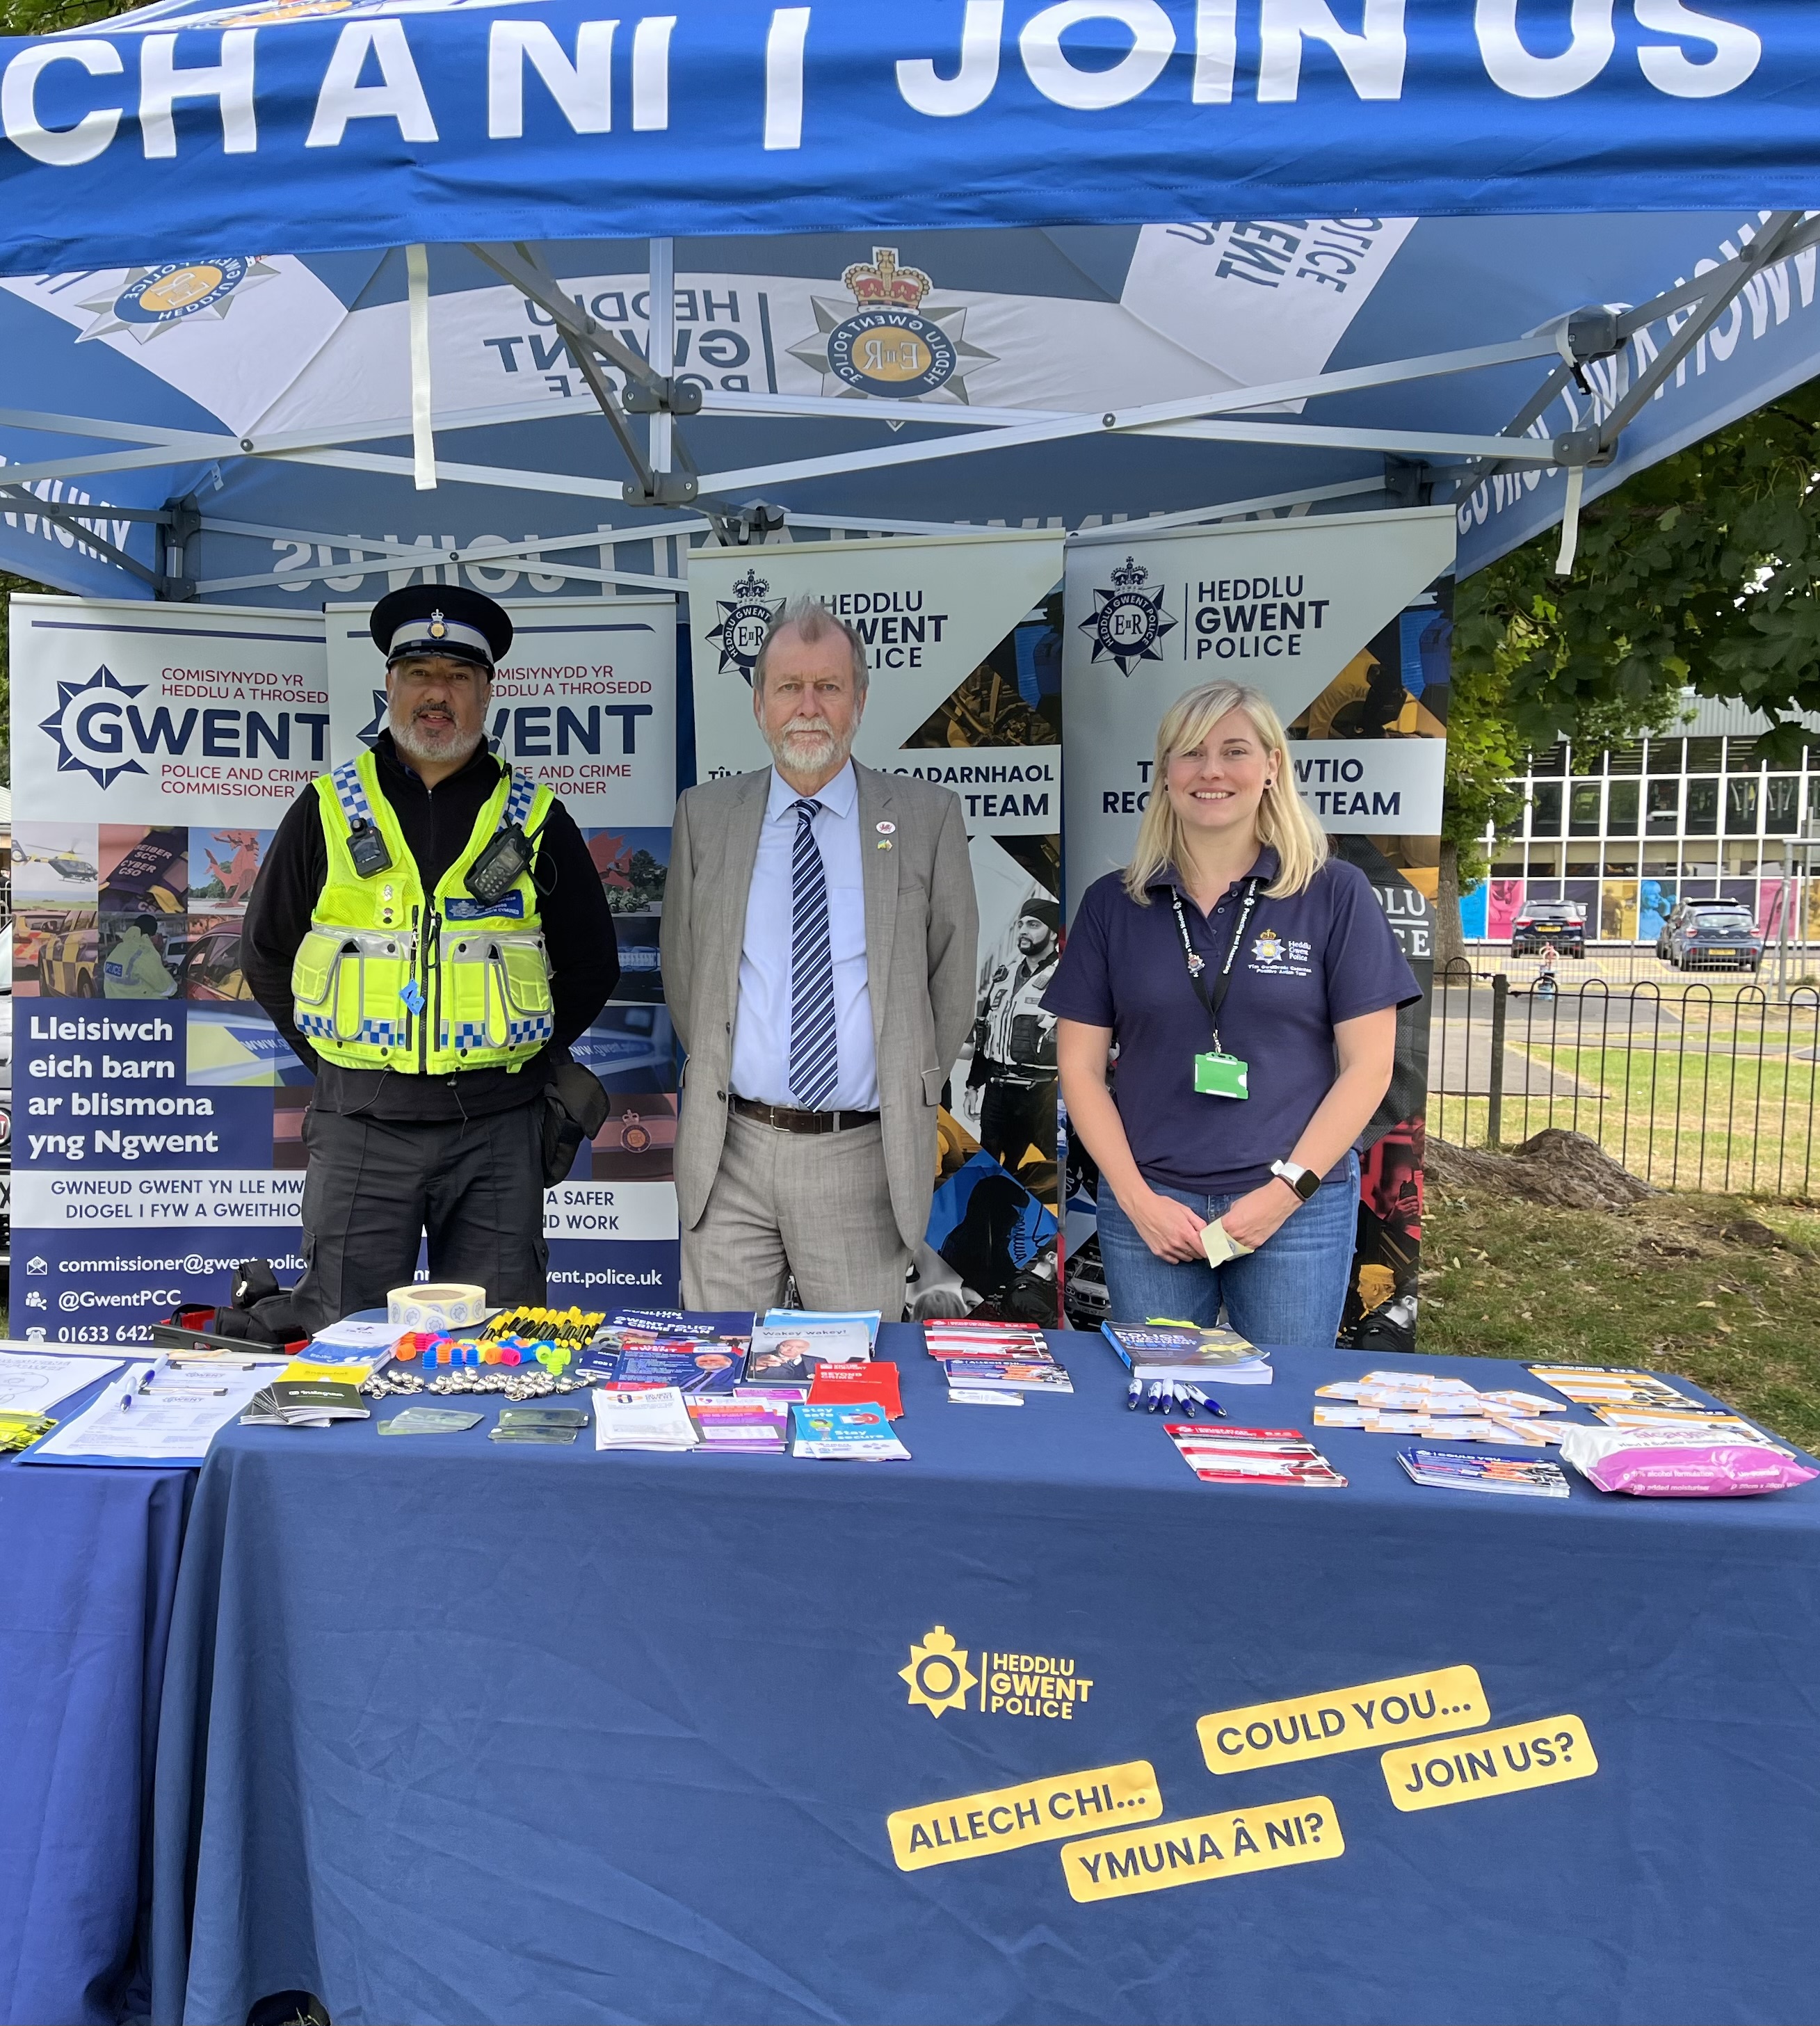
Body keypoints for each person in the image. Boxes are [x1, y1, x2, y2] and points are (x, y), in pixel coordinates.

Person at [243, 585, 620, 1334]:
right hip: (360, 1128)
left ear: (487, 692)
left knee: (497, 1345)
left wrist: (517, 1057)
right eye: (419, 674)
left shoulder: (535, 818)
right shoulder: (327, 808)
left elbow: (591, 964)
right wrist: (337, 1061)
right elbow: (265, 952)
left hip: (497, 1133)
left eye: (457, 677)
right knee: (345, 1341)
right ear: (390, 685)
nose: (436, 694)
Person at [1045, 680, 1419, 1346]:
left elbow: (1368, 1067)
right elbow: (1077, 1069)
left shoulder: (1333, 892)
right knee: (1166, 1396)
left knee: (1283, 1398)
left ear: (1272, 766)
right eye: (1190, 752)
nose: (1210, 770)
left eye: (1234, 751)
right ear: (1165, 773)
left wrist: (1282, 1195)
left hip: (1295, 1212)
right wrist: (1136, 1201)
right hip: (1152, 1209)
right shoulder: (1113, 904)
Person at [661, 597, 979, 1319]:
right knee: (720, 1367)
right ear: (759, 705)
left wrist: (903, 1087)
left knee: (855, 1372)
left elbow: (950, 983)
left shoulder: (924, 817)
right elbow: (687, 977)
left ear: (858, 701)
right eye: (789, 687)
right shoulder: (704, 817)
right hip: (729, 1154)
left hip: (860, 1158)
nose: (808, 707)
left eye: (828, 687)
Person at [969, 894, 1061, 1173]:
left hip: (1041, 1094)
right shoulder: (1004, 977)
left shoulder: (1067, 976)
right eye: (1021, 925)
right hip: (997, 1091)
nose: (1023, 931)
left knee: (1042, 1171)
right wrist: (973, 1086)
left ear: (1053, 933)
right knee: (989, 1168)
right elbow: (986, 1031)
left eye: (1033, 925)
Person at [103, 913, 177, 998]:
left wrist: (158, 966)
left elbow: (130, 973)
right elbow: (168, 988)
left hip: (115, 1004)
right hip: (141, 1005)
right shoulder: (146, 953)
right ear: (152, 935)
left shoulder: (119, 948)